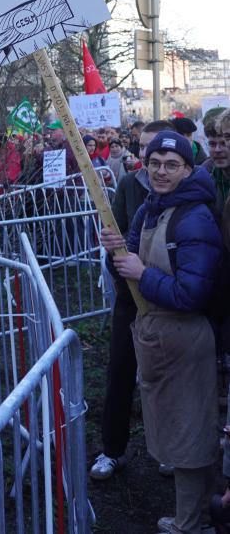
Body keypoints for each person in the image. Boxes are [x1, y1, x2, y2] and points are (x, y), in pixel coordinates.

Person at [102, 130, 223, 534]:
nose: (161, 171)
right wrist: (116, 253)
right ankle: (204, 511)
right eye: (155, 163)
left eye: (172, 165)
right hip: (157, 335)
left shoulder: (196, 217)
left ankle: (190, 524)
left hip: (186, 339)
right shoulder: (149, 209)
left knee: (189, 433)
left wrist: (142, 272)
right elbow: (128, 276)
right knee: (175, 428)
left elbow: (192, 292)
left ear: (188, 169)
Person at [89, 120, 174, 481]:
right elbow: (119, 231)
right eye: (142, 149)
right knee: (120, 372)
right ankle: (113, 449)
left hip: (170, 298)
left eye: (156, 150)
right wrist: (114, 253)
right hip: (129, 298)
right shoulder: (127, 184)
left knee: (169, 378)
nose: (149, 158)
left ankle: (172, 450)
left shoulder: (185, 192)